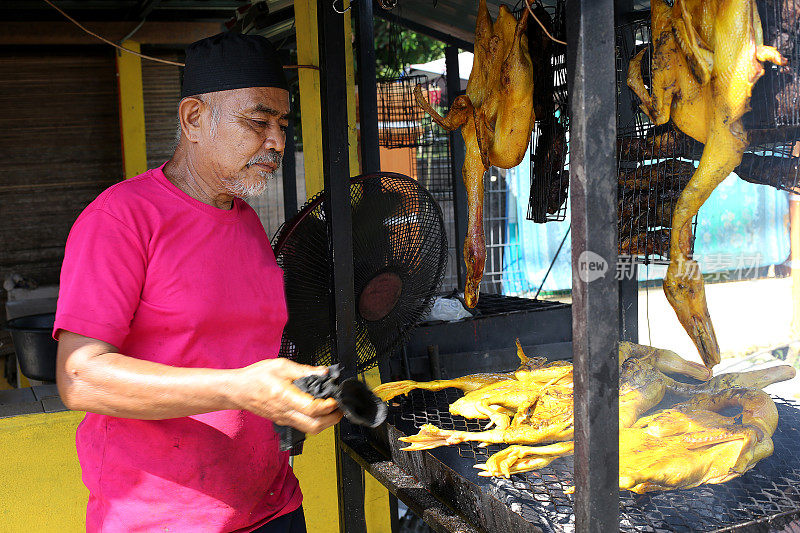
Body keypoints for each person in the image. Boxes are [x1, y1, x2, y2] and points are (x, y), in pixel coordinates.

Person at [53, 32, 342, 532]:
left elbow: (242, 350)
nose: (276, 141)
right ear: (194, 118)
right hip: (164, 519)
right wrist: (236, 389)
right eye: (258, 122)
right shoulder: (122, 219)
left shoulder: (247, 221)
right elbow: (80, 377)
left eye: (282, 124)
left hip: (272, 506)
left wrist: (292, 391)